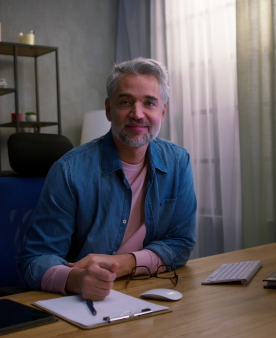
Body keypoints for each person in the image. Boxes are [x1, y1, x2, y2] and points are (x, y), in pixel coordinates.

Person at [18, 57, 197, 301]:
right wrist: (76, 280)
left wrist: (124, 264)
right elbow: (34, 260)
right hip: (84, 303)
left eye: (149, 103)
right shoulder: (68, 171)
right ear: (109, 109)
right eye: (126, 102)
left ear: (162, 112)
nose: (137, 113)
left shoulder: (178, 162)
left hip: (143, 291)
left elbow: (181, 243)